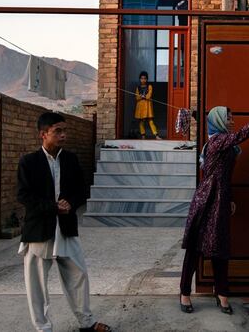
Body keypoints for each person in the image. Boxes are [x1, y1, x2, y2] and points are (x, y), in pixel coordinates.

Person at [179, 102, 249, 314]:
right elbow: (243, 134)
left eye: (232, 117)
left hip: (221, 200)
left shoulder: (226, 145)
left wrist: (230, 198)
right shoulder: (217, 142)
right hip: (206, 200)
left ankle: (222, 293)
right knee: (195, 249)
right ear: (218, 121)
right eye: (228, 118)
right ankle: (184, 293)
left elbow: (225, 175)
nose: (232, 121)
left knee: (220, 247)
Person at [17, 112, 112, 332]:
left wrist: (71, 202)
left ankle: (86, 323)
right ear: (43, 134)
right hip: (39, 231)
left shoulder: (71, 159)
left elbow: (82, 188)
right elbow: (23, 196)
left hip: (66, 228)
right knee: (37, 284)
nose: (63, 135)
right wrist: (53, 207)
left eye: (65, 130)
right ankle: (43, 328)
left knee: (78, 275)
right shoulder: (29, 162)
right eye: (58, 131)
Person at [134, 71, 161, 139]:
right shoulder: (138, 87)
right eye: (142, 78)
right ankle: (143, 135)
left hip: (147, 106)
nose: (143, 80)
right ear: (140, 79)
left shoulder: (149, 86)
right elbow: (137, 97)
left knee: (150, 121)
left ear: (147, 79)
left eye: (144, 78)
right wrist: (140, 96)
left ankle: (156, 135)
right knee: (141, 121)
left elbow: (149, 95)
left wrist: (144, 96)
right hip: (140, 106)